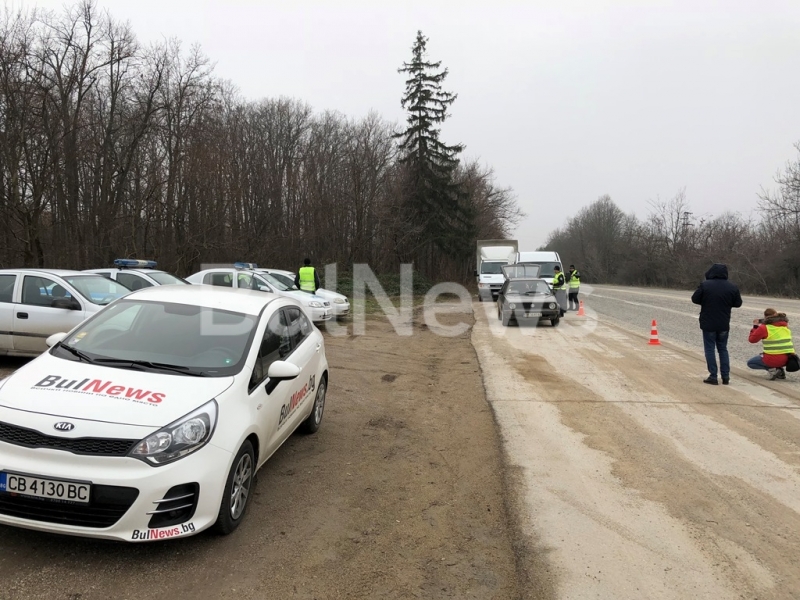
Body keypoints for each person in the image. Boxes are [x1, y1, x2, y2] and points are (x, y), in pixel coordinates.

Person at [690, 263, 743, 385]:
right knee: (723, 349)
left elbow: (695, 299)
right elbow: (738, 303)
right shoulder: (732, 287)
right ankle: (725, 376)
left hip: (708, 322)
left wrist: (707, 300)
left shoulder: (705, 285)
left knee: (710, 349)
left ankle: (713, 376)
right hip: (724, 322)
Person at [747, 308, 793, 380]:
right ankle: (779, 370)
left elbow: (752, 340)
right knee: (768, 354)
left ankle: (774, 370)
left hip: (772, 358)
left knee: (751, 363)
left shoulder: (764, 327)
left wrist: (755, 326)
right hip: (789, 358)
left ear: (765, 317)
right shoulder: (785, 326)